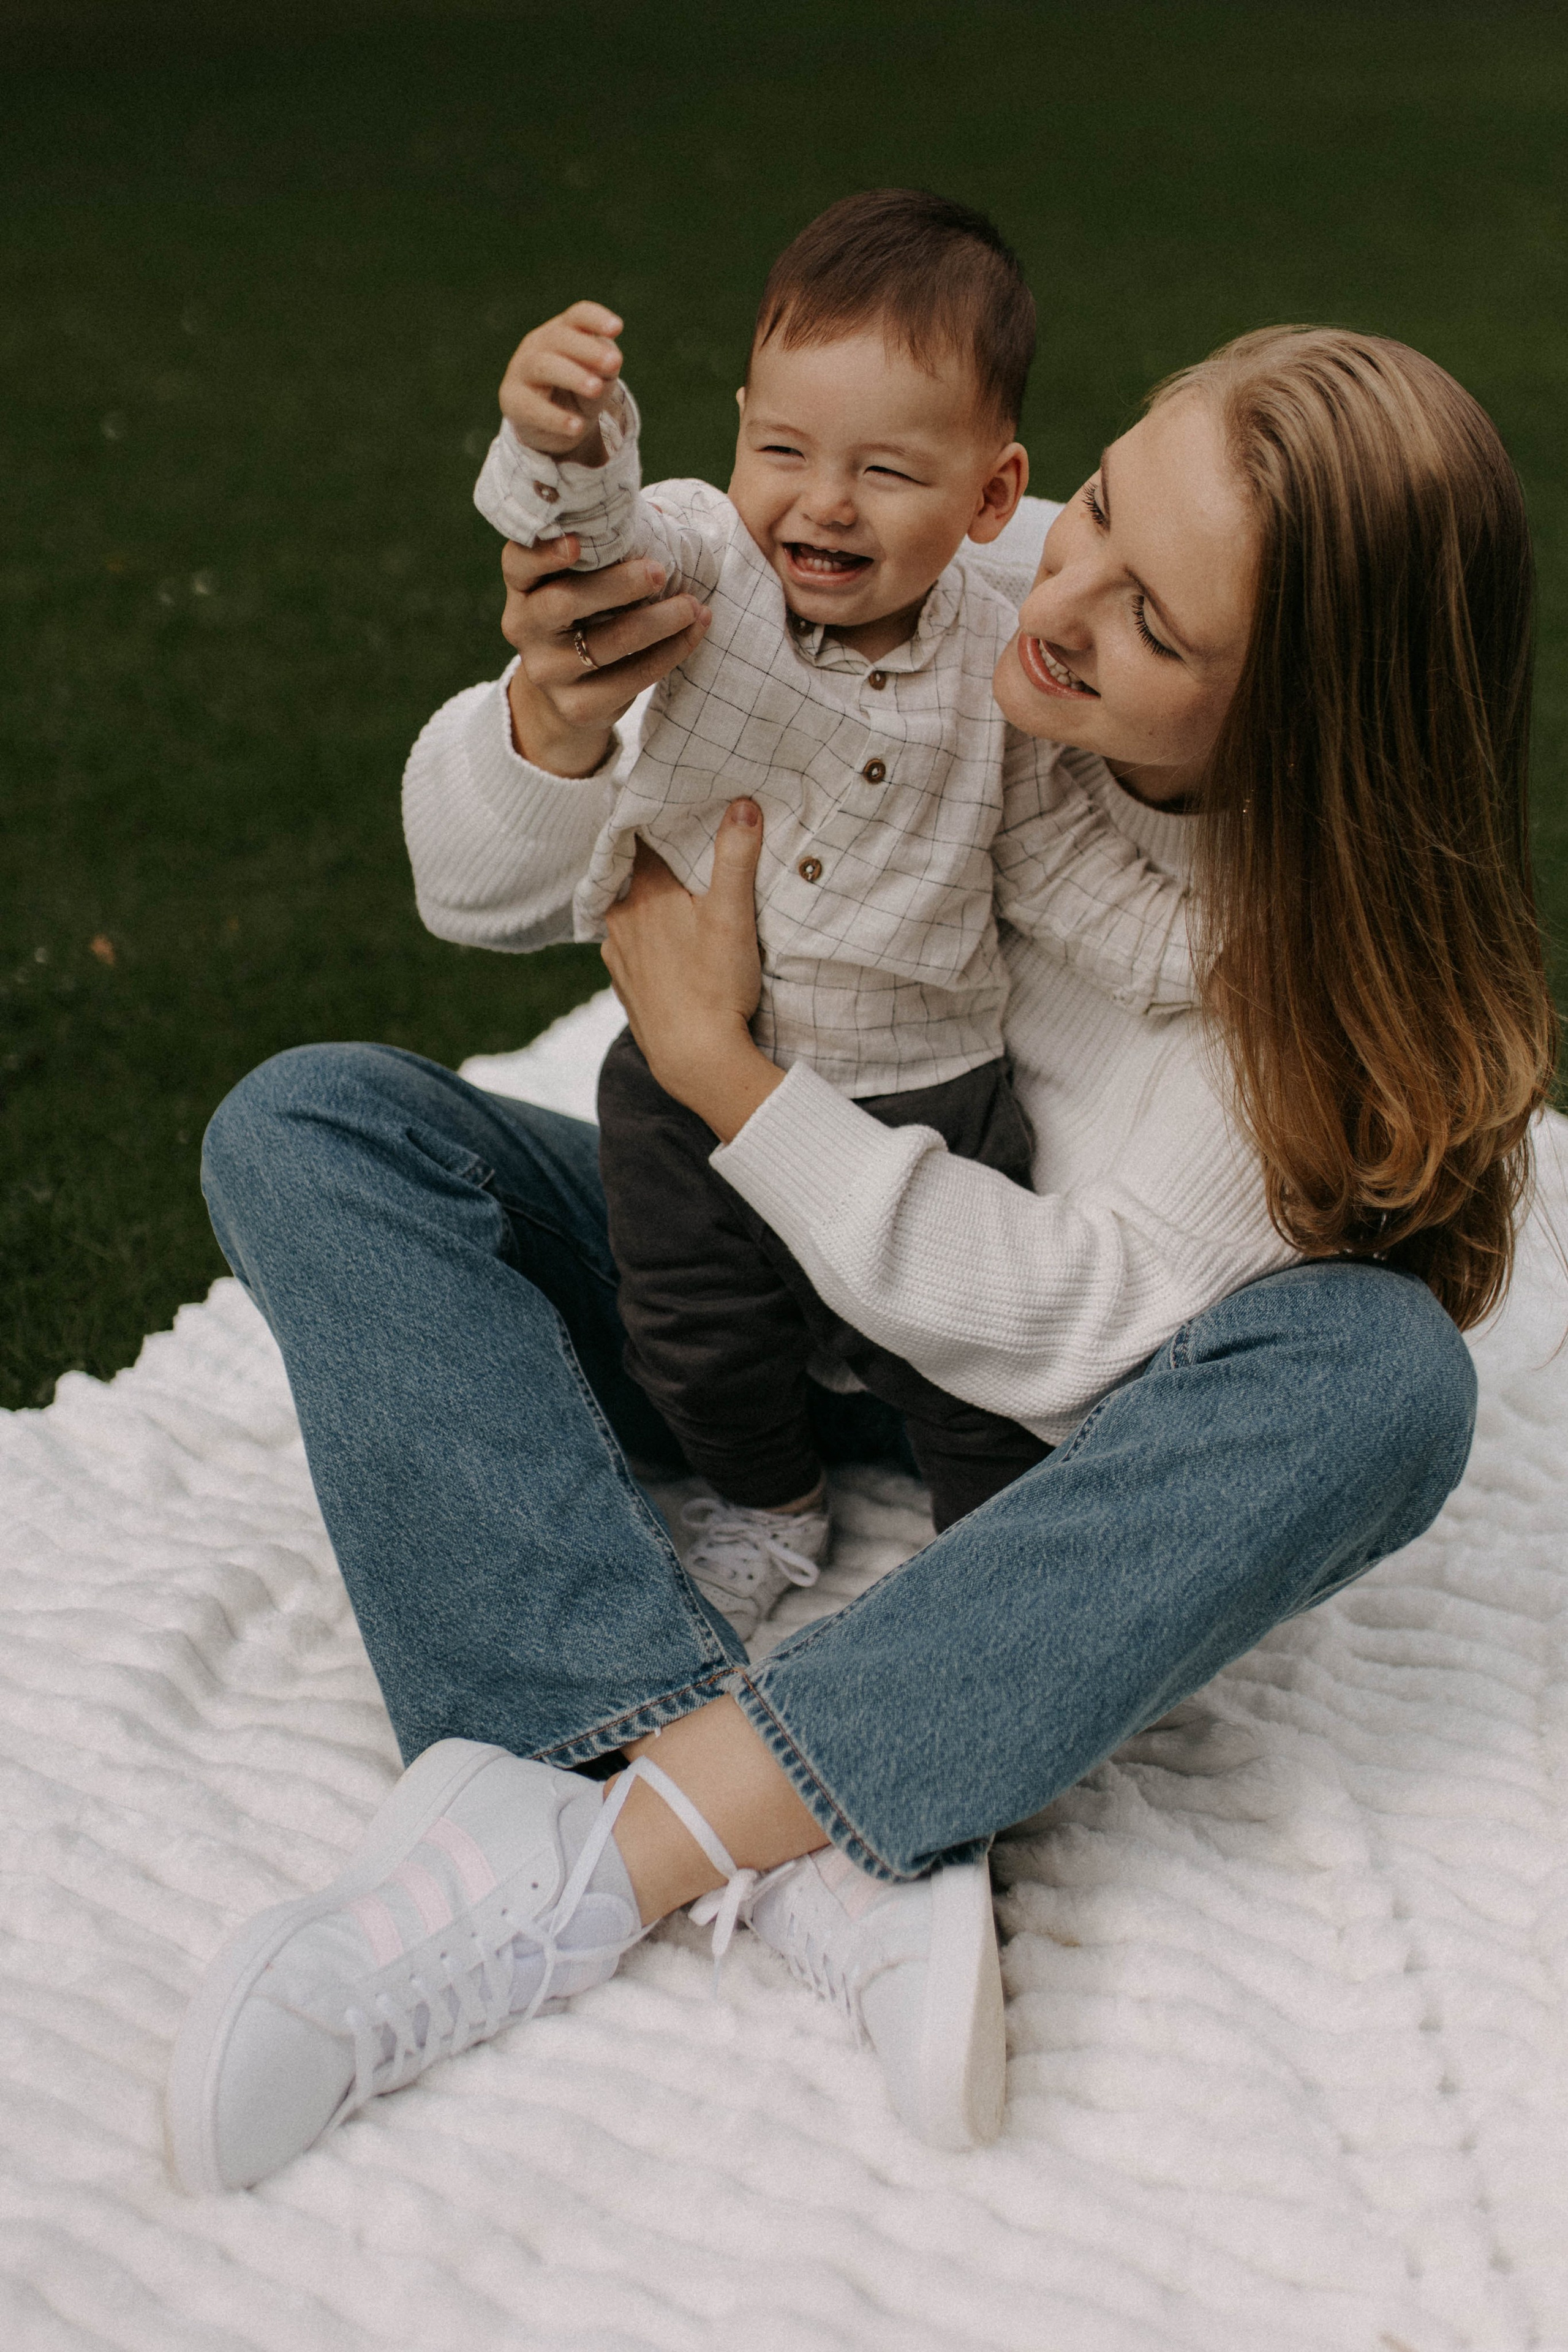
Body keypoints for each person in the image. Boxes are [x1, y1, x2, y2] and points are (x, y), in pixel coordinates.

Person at [166, 326, 1553, 2196]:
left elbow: (1060, 1331)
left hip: (1013, 1427)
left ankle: (614, 1849)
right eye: (1101, 510)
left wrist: (728, 1075)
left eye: (1156, 626)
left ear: (1301, 720)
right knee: (314, 1123)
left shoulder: (1302, 990)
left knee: (1384, 1378)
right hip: (736, 1287)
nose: (1061, 596)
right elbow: (473, 891)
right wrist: (553, 719)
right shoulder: (968, 560)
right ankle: (725, 1776)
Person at [469, 191, 1195, 1619]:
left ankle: (992, 1566)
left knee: (962, 1369)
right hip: (688, 1090)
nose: (822, 502)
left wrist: (1205, 957)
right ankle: (766, 1499)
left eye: (883, 472)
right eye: (782, 449)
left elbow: (1061, 871)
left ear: (991, 497)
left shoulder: (1001, 674)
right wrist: (563, 447)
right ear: (736, 430)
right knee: (691, 1332)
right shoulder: (711, 572)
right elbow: (606, 537)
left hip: (933, 1094)